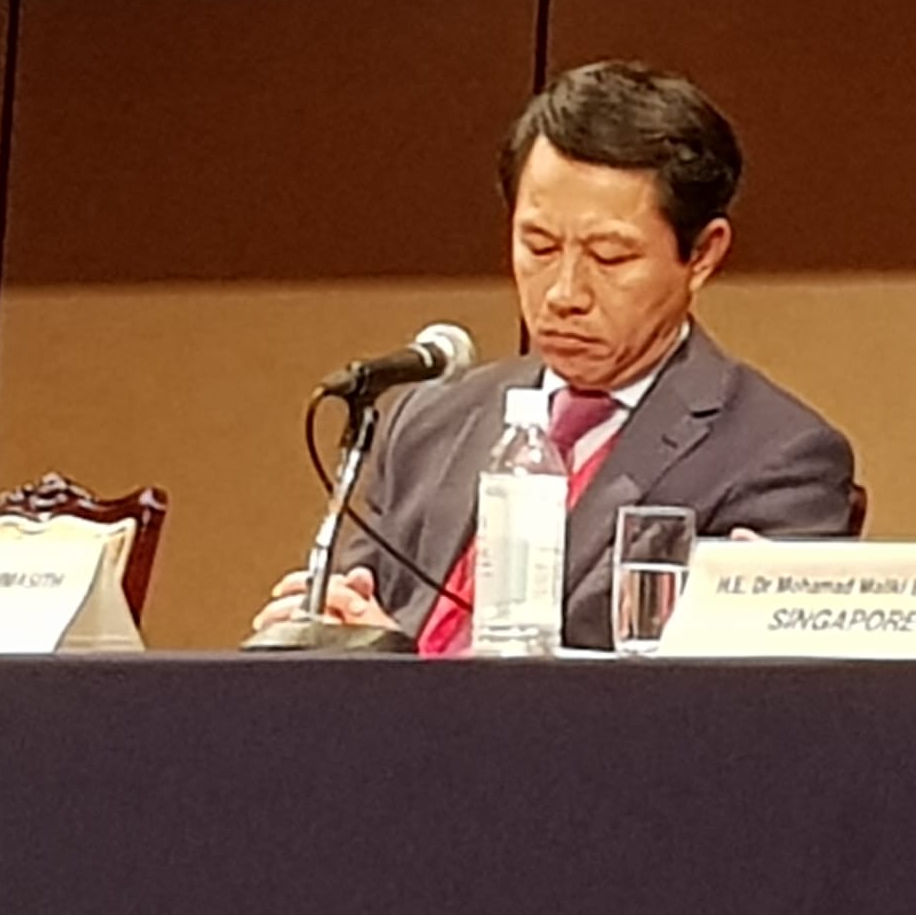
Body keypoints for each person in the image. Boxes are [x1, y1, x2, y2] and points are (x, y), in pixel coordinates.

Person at [256, 60, 857, 652]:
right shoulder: (426, 423)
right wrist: (338, 628)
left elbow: (724, 714)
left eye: (611, 257)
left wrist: (404, 676)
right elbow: (363, 622)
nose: (564, 293)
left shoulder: (777, 458)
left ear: (701, 254)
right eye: (538, 245)